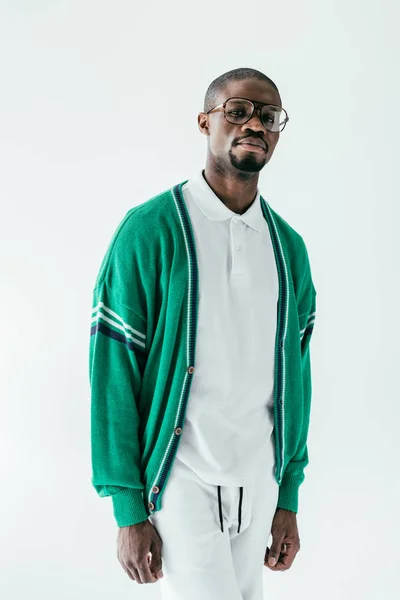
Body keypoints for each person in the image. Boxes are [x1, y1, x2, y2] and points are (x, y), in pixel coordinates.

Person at [89, 67, 317, 599]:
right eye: (237, 111)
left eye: (268, 116)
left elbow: (296, 381)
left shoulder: (289, 249)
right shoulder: (149, 231)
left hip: (259, 481)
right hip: (181, 477)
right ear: (205, 121)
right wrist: (128, 507)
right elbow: (113, 371)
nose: (253, 125)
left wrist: (288, 496)